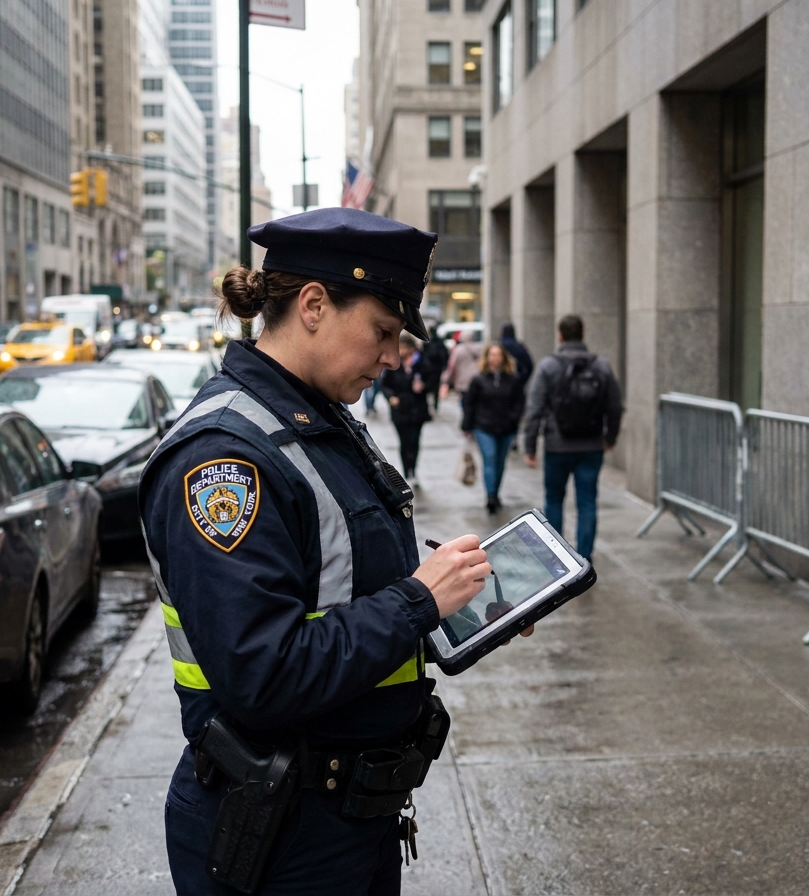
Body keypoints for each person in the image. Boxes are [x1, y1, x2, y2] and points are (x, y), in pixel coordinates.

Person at [138, 207, 527, 896]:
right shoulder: (225, 459)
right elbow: (262, 673)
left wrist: (461, 600)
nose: (394, 357)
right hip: (283, 837)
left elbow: (344, 592)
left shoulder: (319, 419)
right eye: (383, 331)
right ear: (314, 305)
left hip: (344, 820)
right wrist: (418, 600)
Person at [523, 314, 623, 562]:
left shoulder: (548, 366)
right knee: (587, 502)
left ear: (560, 336)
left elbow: (535, 409)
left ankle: (559, 555)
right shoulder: (601, 366)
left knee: (554, 499)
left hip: (557, 446)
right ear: (583, 334)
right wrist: (610, 437)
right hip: (591, 445)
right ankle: (585, 556)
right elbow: (615, 406)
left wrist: (530, 446)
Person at [461, 343, 526, 514]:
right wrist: (467, 425)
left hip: (506, 427)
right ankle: (490, 496)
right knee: (490, 458)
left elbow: (519, 401)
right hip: (484, 427)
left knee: (500, 461)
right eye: (492, 355)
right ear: (487, 357)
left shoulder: (513, 379)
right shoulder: (479, 379)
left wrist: (514, 419)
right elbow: (470, 403)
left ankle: (496, 491)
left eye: (498, 355)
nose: (495, 358)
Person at [380, 332, 430, 483]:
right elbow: (384, 385)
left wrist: (424, 386)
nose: (401, 351)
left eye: (403, 347)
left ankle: (413, 468)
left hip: (417, 409)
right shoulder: (394, 365)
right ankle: (406, 470)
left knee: (414, 441)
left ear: (411, 348)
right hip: (400, 409)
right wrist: (391, 397)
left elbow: (432, 380)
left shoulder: (421, 363)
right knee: (403, 441)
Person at [439, 331, 483, 403]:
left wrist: (446, 380)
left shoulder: (458, 350)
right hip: (479, 381)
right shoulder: (482, 348)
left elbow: (451, 367)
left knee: (466, 403)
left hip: (463, 383)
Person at [418, 325, 448, 411]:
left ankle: (431, 405)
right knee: (435, 388)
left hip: (430, 368)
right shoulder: (438, 342)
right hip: (436, 369)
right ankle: (434, 405)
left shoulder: (428, 341)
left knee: (429, 388)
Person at [499, 322, 533, 387]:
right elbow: (529, 365)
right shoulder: (519, 346)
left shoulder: (499, 345)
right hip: (516, 380)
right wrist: (522, 379)